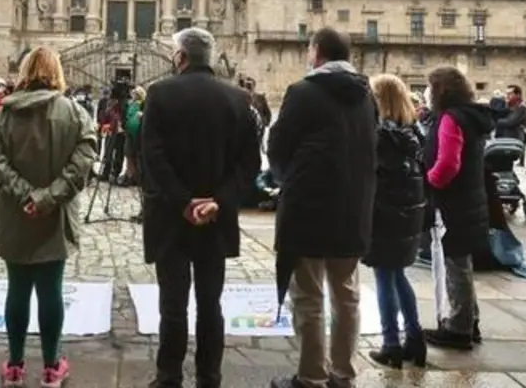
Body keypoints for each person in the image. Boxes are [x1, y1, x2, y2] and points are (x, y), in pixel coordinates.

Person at [141, 28, 259, 388]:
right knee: (211, 304)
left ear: (179, 57)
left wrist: (182, 201)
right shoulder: (239, 99)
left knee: (172, 305)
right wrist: (217, 202)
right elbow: (249, 164)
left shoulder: (159, 94)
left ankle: (169, 377)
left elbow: (152, 158)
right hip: (215, 220)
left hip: (171, 218)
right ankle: (209, 377)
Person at [266, 28, 378, 388]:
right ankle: (344, 373)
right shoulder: (366, 96)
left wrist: (287, 178)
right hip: (352, 209)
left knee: (309, 296)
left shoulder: (302, 93)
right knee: (346, 295)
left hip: (309, 210)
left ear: (317, 53)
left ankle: (312, 376)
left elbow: (278, 147)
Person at [0, 46, 97, 388]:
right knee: (51, 290)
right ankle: (51, 366)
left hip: (17, 215)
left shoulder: (2, 115)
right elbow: (82, 164)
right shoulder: (76, 114)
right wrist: (47, 198)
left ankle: (15, 365)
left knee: (17, 289)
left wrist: (25, 195)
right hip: (55, 215)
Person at [421, 65, 494, 351]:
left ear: (440, 90)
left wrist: (429, 180)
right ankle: (468, 320)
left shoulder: (451, 118)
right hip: (469, 198)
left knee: (455, 263)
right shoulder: (470, 117)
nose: (426, 93)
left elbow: (448, 164)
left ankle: (459, 327)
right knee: (461, 262)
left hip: (453, 201)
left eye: (429, 87)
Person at [364, 74, 428, 370]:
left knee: (384, 277)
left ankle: (391, 343)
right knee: (399, 275)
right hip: (410, 213)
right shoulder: (413, 131)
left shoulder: (381, 135)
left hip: (386, 214)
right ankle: (415, 338)